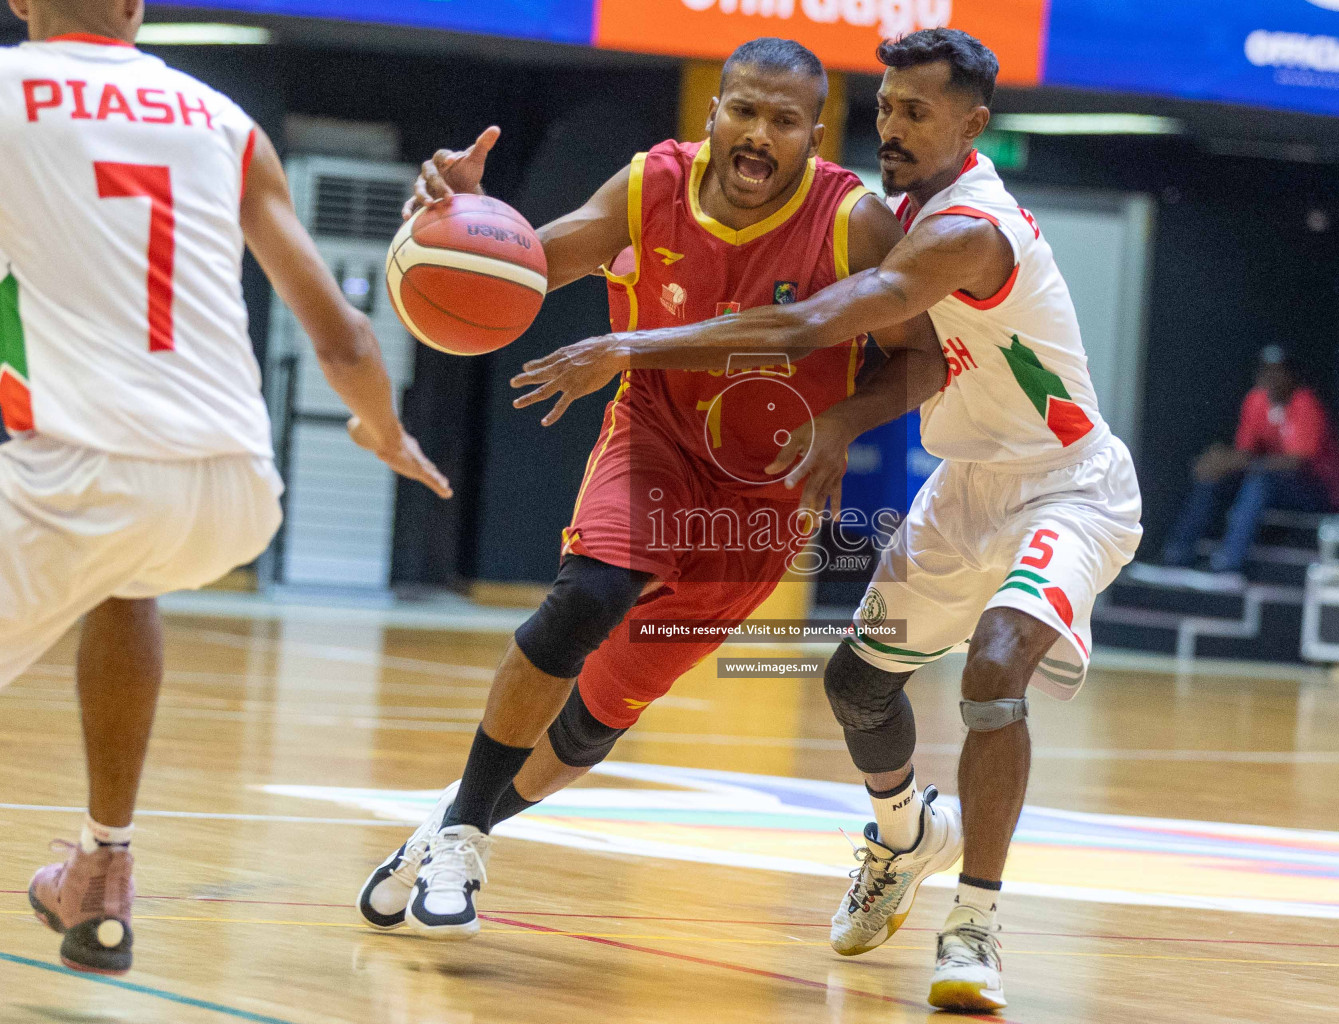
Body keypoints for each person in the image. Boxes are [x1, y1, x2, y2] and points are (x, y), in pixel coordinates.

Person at [512, 28, 1142, 1012]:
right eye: (885, 107)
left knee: (992, 661)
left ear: (972, 125)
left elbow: (813, 324)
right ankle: (901, 834)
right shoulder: (898, 207)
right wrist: (843, 423)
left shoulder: (966, 227)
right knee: (855, 683)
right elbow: (920, 362)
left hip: (1069, 484)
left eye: (916, 113)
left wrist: (631, 342)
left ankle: (975, 924)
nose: (892, 127)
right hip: (969, 483)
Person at [353, 38, 949, 941]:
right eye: (742, 110)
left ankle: (444, 827)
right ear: (712, 112)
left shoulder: (854, 222)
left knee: (591, 725)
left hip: (761, 502)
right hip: (657, 441)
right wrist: (452, 224)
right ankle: (466, 835)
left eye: (783, 120)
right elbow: (523, 268)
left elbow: (923, 361)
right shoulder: (650, 186)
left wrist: (842, 421)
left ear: (814, 135)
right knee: (585, 597)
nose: (758, 134)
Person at [1, 0, 450, 976]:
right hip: (237, 485)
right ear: (135, 6)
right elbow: (344, 337)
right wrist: (383, 427)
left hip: (79, 476)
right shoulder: (223, 121)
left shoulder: (7, 96)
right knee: (130, 578)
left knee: (113, 542)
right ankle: (103, 871)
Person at [1162, 345, 1339, 575]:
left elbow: (1295, 462)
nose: (1270, 377)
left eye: (1277, 371)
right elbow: (1245, 451)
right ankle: (1178, 553)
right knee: (1214, 475)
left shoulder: (1305, 403)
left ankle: (1228, 563)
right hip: (1275, 484)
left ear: (1291, 375)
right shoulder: (1256, 400)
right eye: (1265, 371)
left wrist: (1239, 463)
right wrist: (1222, 461)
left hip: (1319, 492)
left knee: (1262, 480)